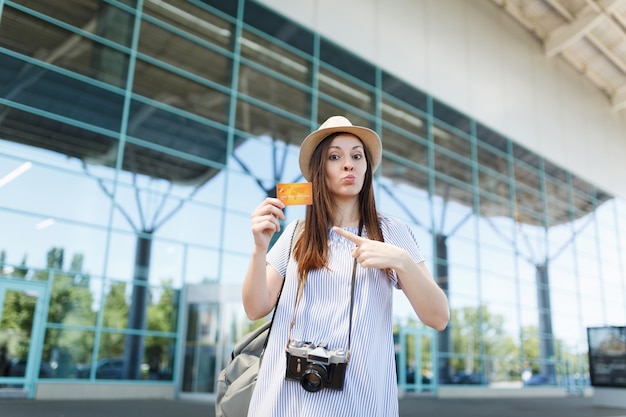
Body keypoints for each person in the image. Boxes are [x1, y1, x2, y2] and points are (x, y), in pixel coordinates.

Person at [242, 115, 450, 416]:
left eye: (356, 155)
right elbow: (254, 309)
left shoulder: (391, 232)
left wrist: (401, 261)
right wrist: (259, 249)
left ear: (366, 168)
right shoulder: (296, 234)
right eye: (335, 156)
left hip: (359, 400)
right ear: (320, 170)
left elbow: (439, 317)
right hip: (286, 399)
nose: (348, 164)